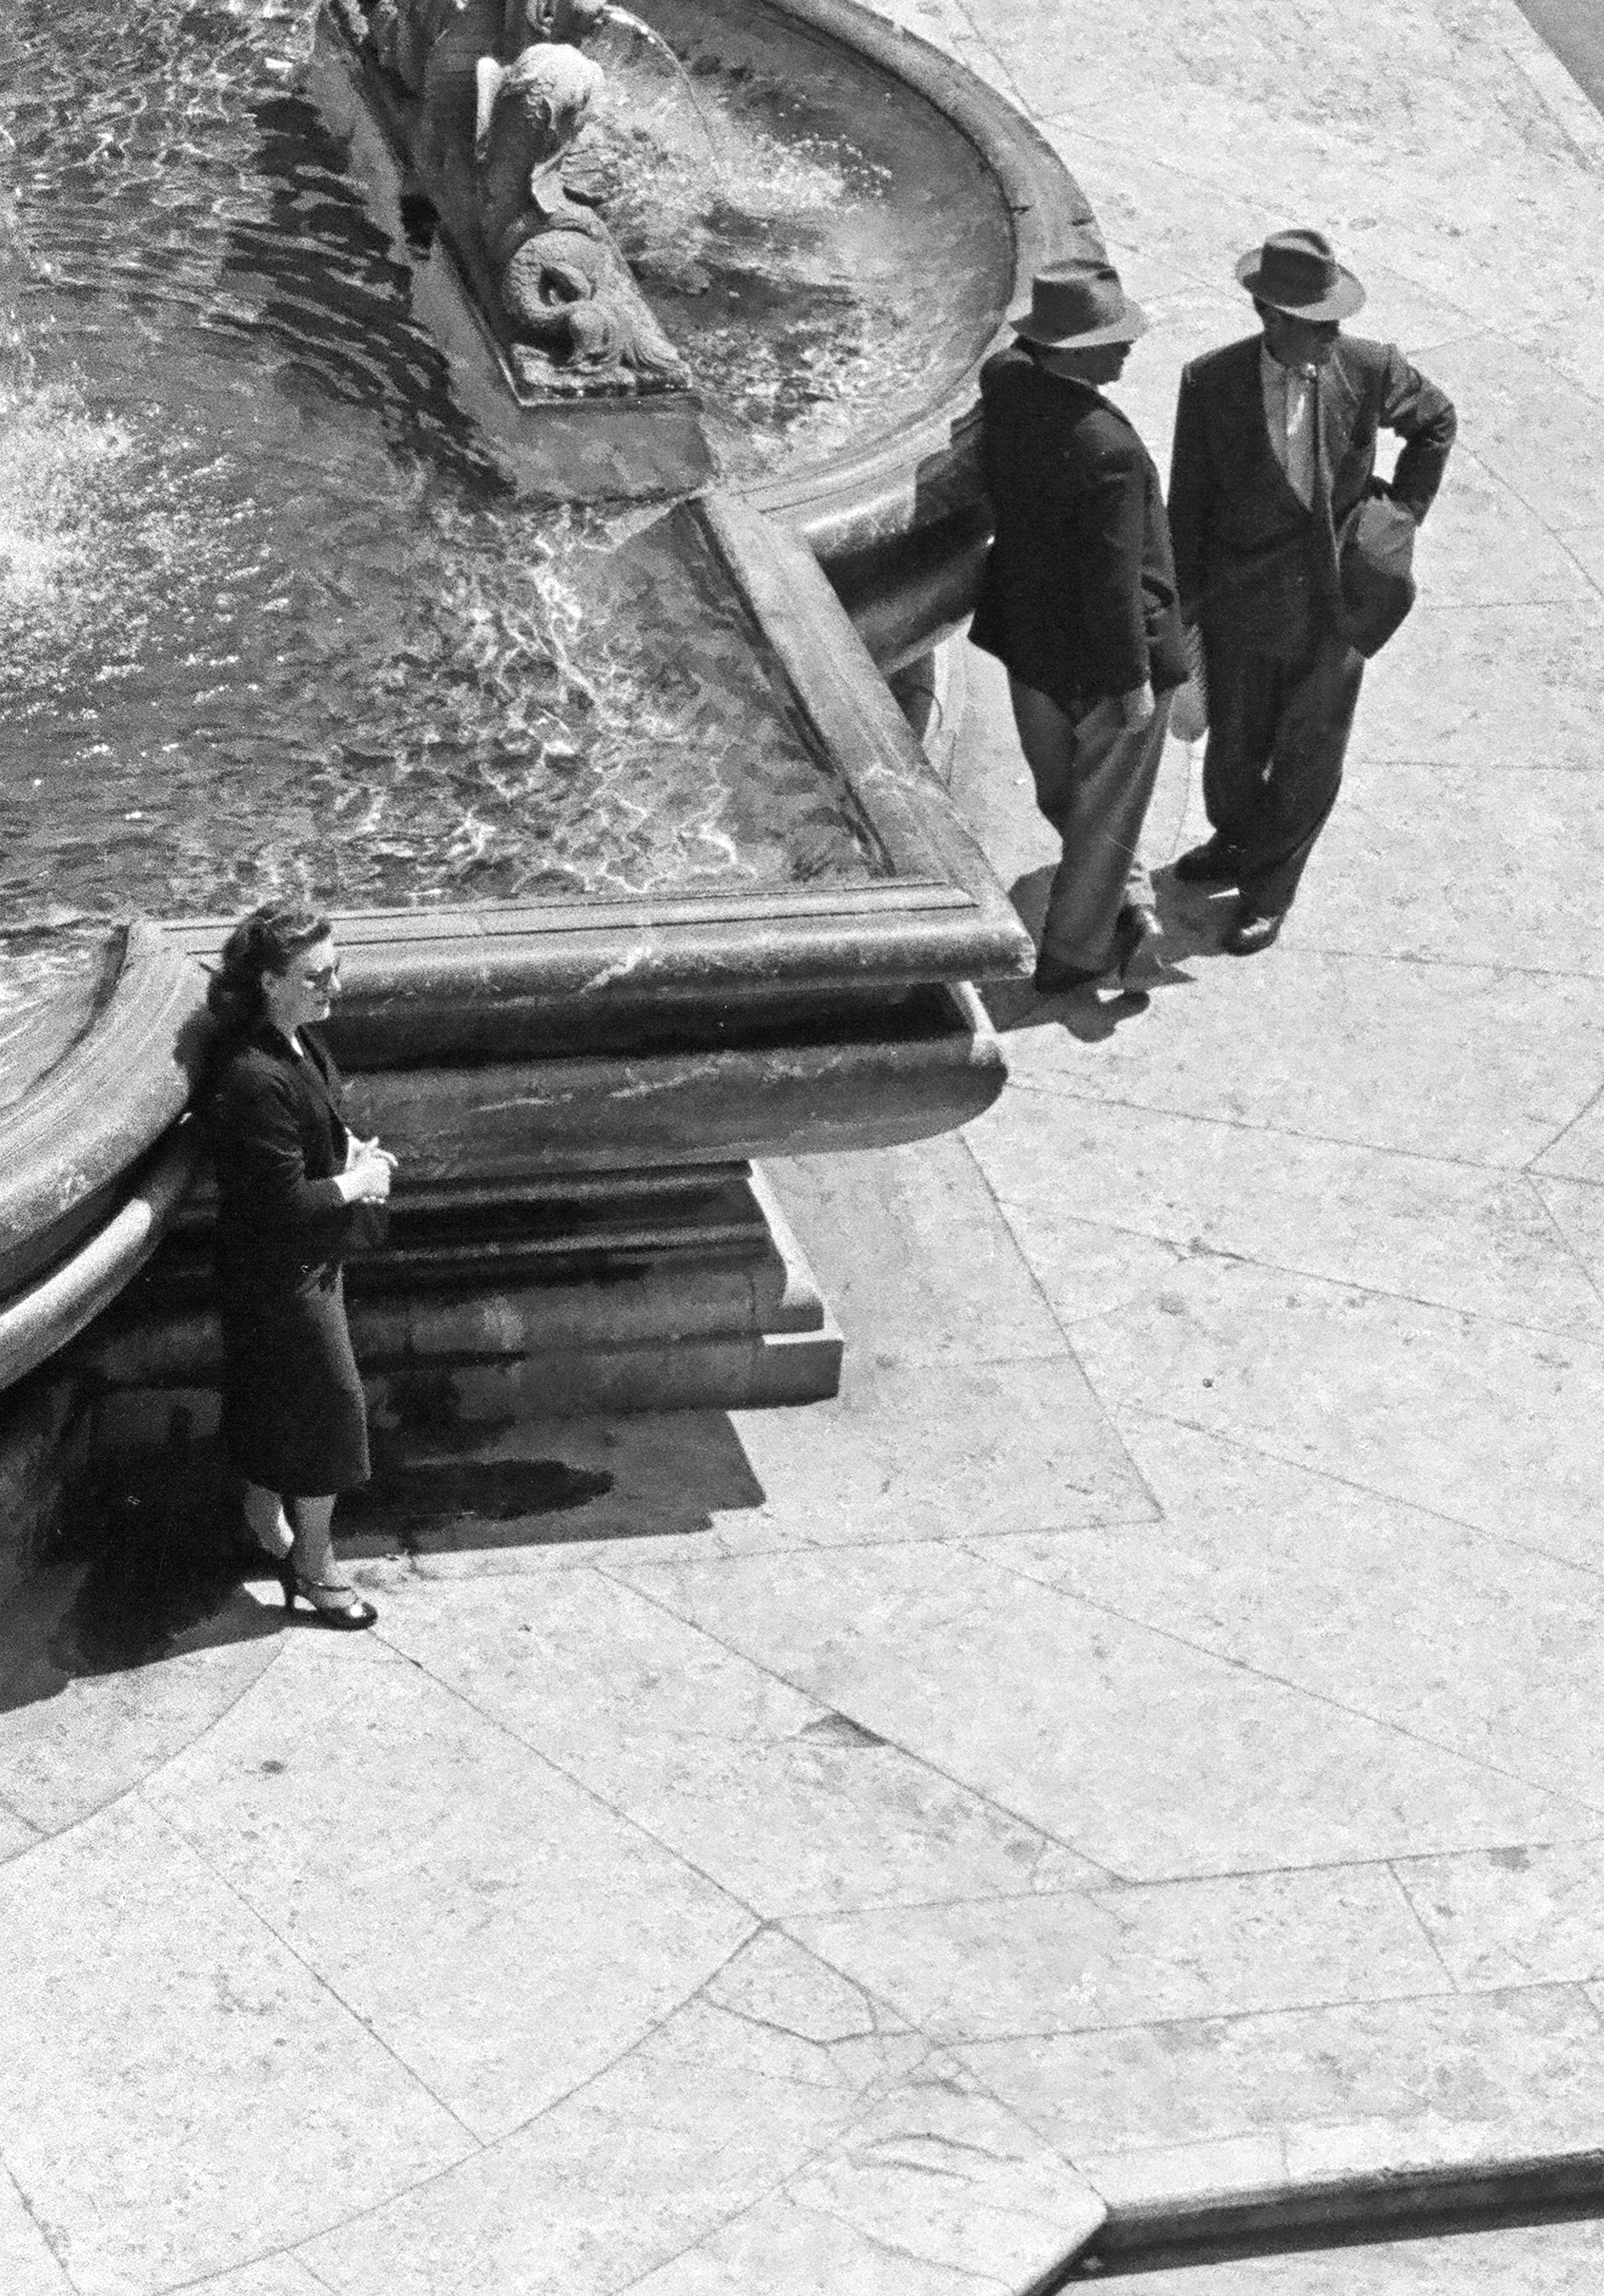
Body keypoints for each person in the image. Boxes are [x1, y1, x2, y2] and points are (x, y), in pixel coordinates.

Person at [1167, 227, 1456, 953]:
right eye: (1318, 322)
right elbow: (1189, 502)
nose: (1333, 335)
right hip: (1243, 604)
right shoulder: (1210, 382)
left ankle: (1268, 891)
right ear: (1271, 316)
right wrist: (1181, 607)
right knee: (1234, 747)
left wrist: (1397, 519)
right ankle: (1234, 841)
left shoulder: (1368, 367)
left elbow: (1436, 423)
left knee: (1309, 755)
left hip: (1340, 605)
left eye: (1336, 321)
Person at [970, 256, 1188, 994]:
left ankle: (1127, 902)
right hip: (1109, 659)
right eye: (1113, 338)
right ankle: (1076, 953)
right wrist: (1133, 683)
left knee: (1064, 796)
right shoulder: (1111, 450)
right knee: (1106, 808)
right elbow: (1113, 582)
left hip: (1030, 641)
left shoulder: (1006, 382)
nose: (1129, 347)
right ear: (1071, 351)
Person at [205, 903, 396, 1630]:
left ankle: (261, 1516)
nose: (334, 988)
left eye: (336, 969)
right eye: (317, 976)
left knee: (275, 1398)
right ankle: (314, 1567)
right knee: (333, 1415)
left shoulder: (298, 1044)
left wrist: (352, 1156)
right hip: (280, 1277)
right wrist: (359, 1184)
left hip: (298, 1264)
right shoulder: (254, 1076)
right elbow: (280, 1203)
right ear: (268, 981)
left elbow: (315, 1135)